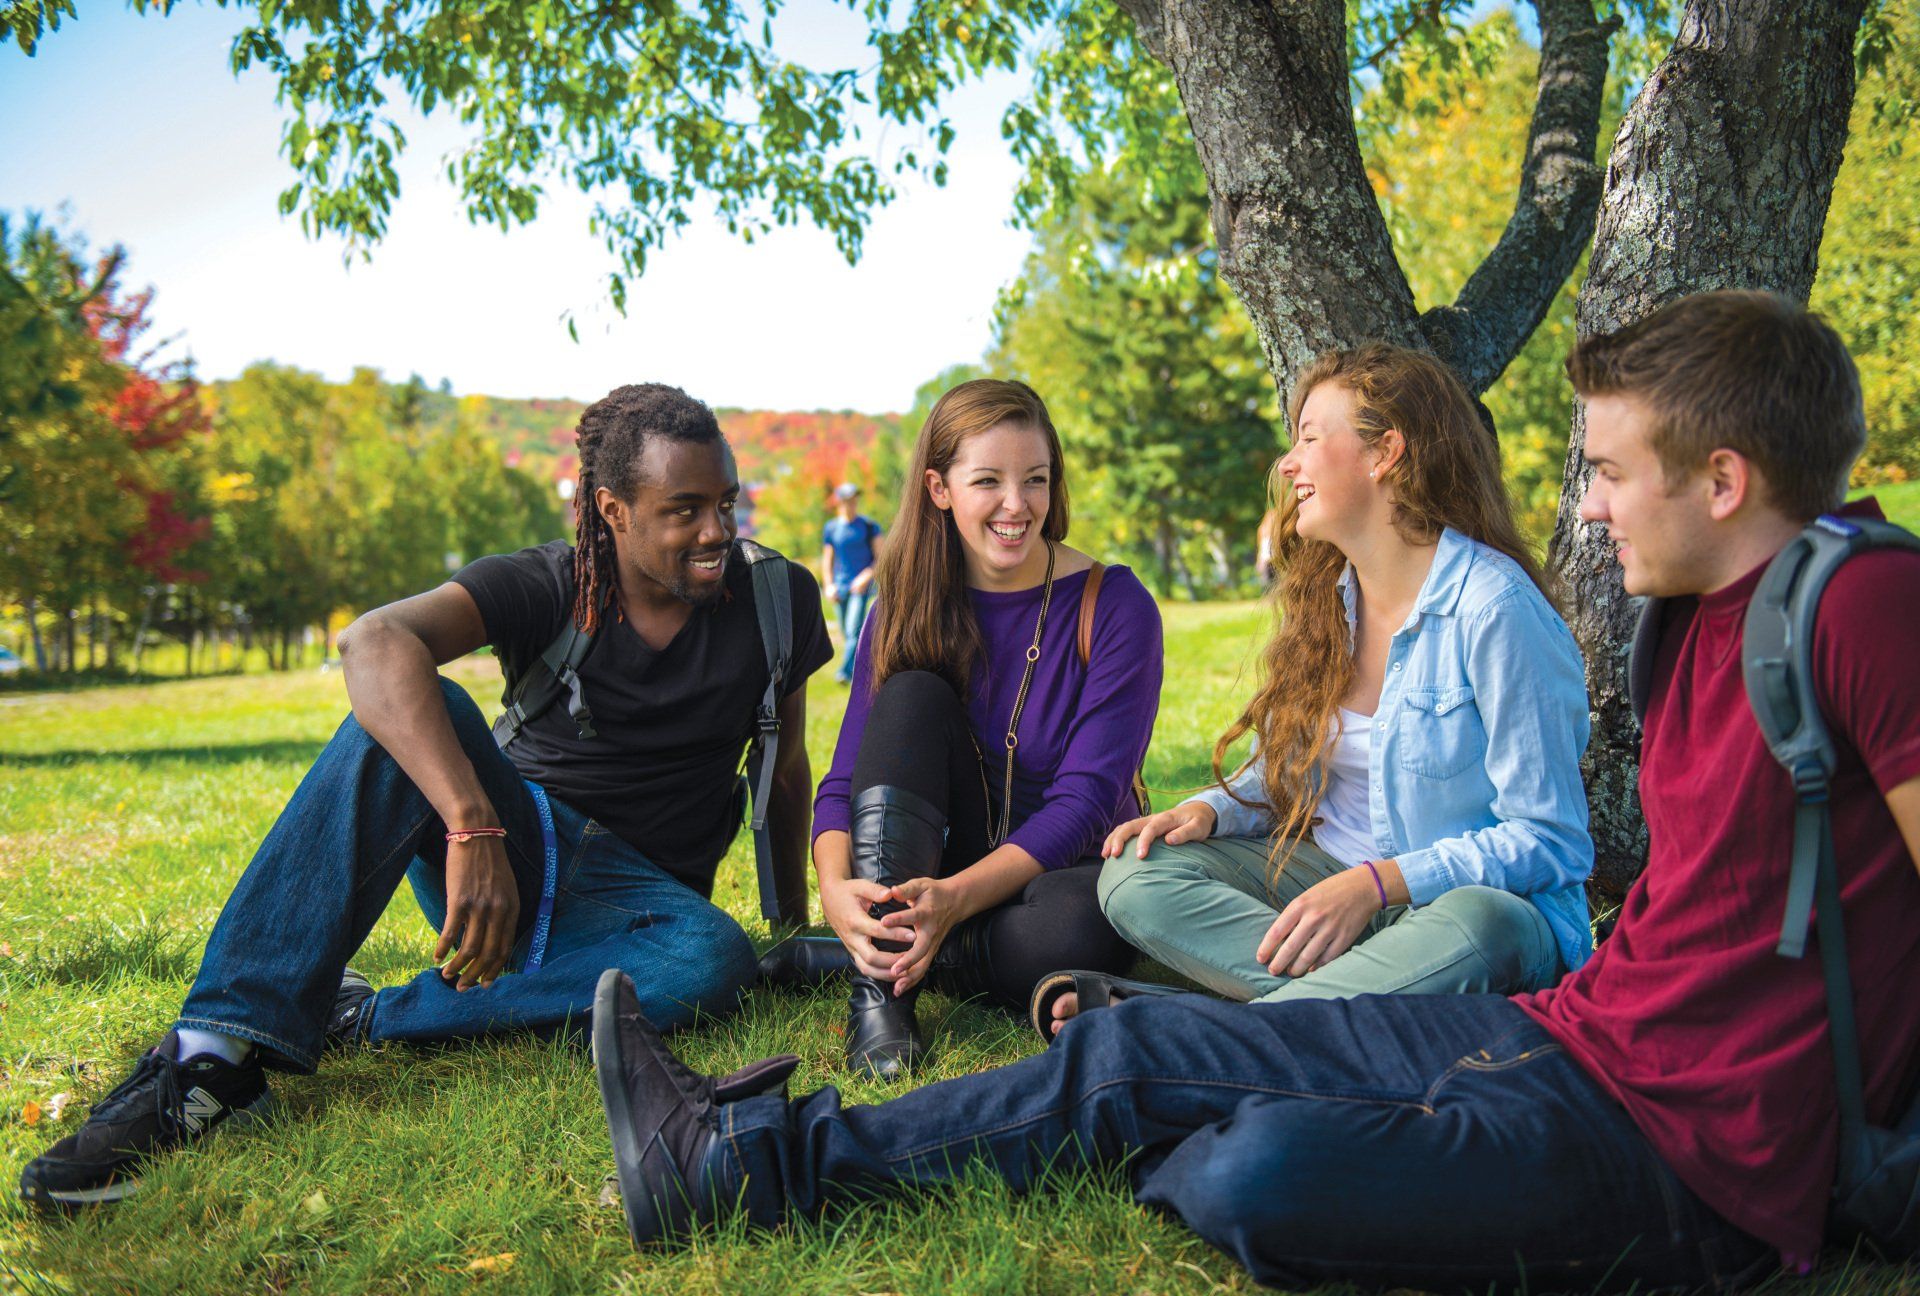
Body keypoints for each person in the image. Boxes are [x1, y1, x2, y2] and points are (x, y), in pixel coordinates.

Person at [593, 293, 1920, 1291]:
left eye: (1613, 473)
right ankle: (737, 1157)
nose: (1588, 508)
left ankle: (1236, 1079)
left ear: (1726, 482)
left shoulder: (1866, 603)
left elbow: (1565, 852)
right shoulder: (1692, 619)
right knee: (1127, 1054)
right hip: (1579, 1039)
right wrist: (1210, 818)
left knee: (1260, 1167)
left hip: (1700, 1159)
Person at [19, 383, 833, 1209]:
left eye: (726, 503)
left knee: (713, 960)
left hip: (647, 914)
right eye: (685, 509)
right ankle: (211, 1057)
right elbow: (373, 639)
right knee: (408, 709)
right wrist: (473, 826)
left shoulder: (777, 598)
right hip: (515, 859)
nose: (716, 532)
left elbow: (786, 768)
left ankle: (366, 1019)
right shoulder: (549, 582)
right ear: (613, 509)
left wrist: (790, 926)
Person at [1037, 344, 1592, 1037]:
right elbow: (1292, 773)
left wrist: (1380, 884)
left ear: (1385, 452)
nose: (1287, 464)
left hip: (1466, 911)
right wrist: (1212, 812)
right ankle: (1369, 999)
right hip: (1330, 880)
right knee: (1134, 875)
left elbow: (1551, 841)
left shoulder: (1493, 608)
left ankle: (1199, 1031)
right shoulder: (1331, 601)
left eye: (1307, 438)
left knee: (1483, 928)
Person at [766, 378, 1161, 1079]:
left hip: (1061, 870)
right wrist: (834, 891)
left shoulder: (1117, 605)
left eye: (1035, 480)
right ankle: (879, 995)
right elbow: (845, 781)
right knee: (912, 694)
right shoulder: (904, 605)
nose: (1018, 505)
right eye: (989, 481)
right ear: (939, 489)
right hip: (940, 856)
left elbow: (1085, 804)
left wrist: (952, 901)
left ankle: (854, 955)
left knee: (1083, 928)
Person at [822, 482, 883, 684]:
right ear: (840, 501)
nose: (852, 503)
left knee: (854, 631)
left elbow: (881, 558)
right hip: (840, 587)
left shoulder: (869, 527)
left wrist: (865, 576)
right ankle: (862, 671)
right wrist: (829, 585)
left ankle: (844, 674)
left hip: (861, 588)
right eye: (848, 500)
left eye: (855, 499)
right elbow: (827, 560)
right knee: (848, 633)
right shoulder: (831, 528)